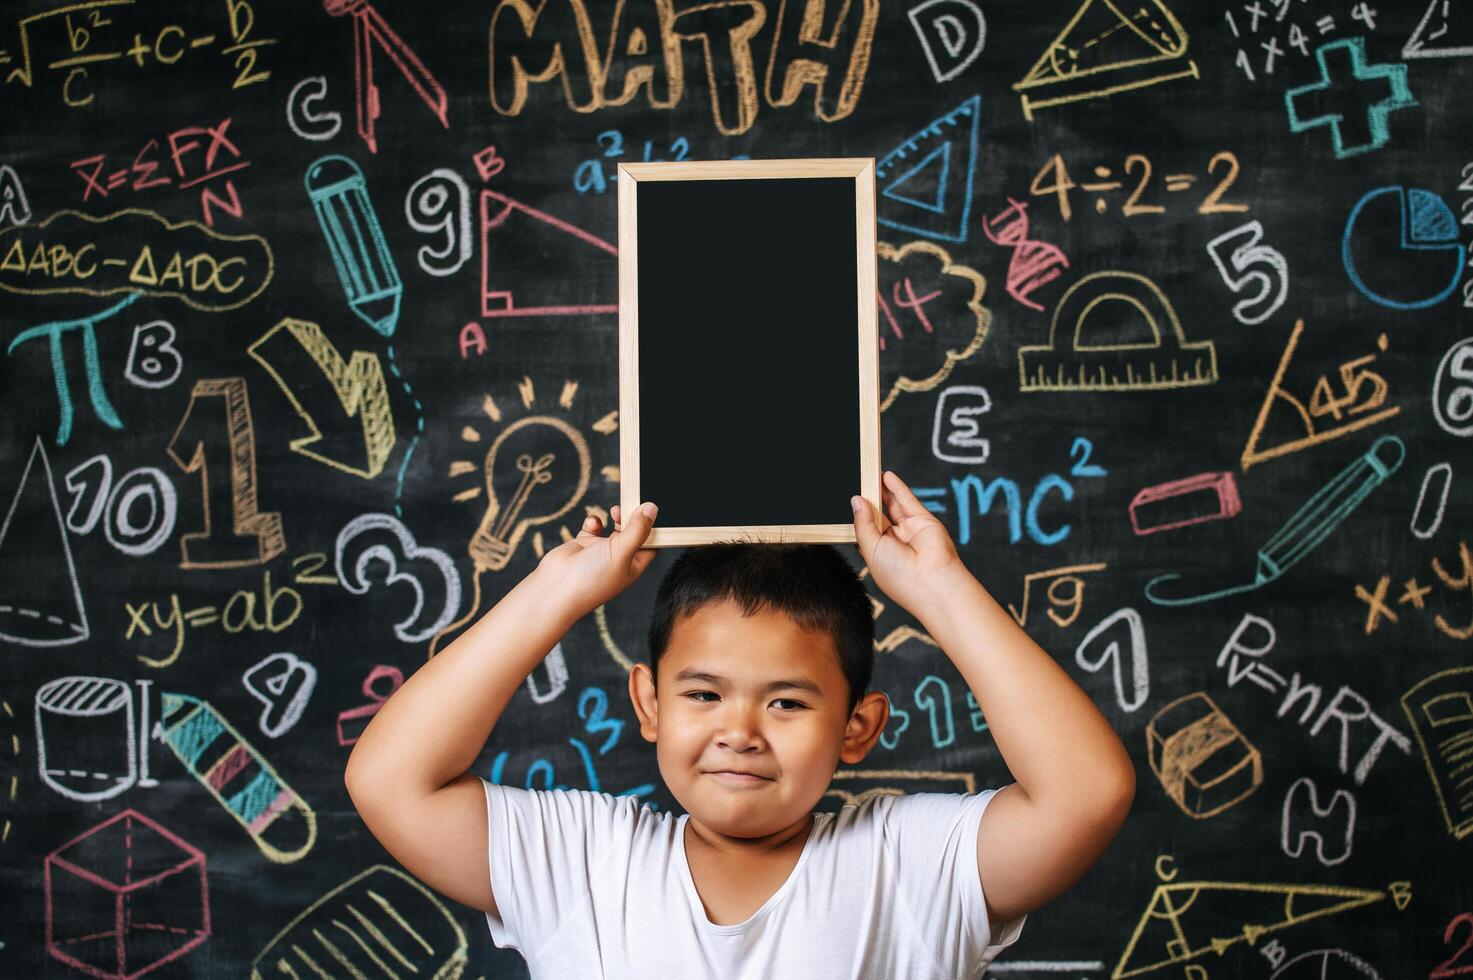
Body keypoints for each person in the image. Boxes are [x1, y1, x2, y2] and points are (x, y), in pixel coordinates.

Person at [345, 470, 1136, 978]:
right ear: (649, 704)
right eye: (702, 696)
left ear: (857, 729)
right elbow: (389, 781)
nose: (741, 732)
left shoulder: (909, 863)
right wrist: (558, 589)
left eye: (787, 702)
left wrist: (936, 588)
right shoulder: (585, 863)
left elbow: (1085, 793)